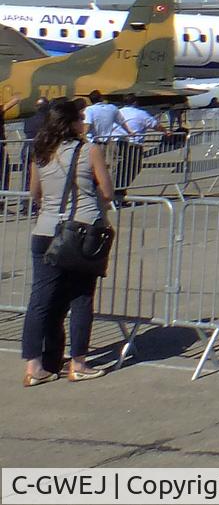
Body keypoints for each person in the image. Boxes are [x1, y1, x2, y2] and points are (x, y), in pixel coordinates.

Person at [22, 97, 115, 385]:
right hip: (81, 231)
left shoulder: (40, 151)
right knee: (82, 297)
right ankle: (78, 363)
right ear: (72, 122)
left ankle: (34, 366)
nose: (83, 122)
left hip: (45, 230)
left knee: (40, 300)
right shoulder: (89, 150)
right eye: (80, 118)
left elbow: (35, 193)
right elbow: (109, 192)